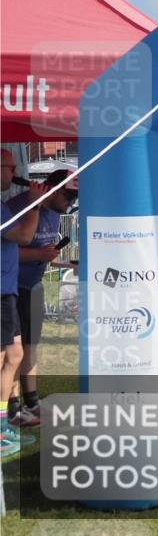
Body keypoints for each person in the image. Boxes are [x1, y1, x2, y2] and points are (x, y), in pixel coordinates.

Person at [6, 169, 78, 428]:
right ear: (52, 189)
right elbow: (8, 251)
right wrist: (38, 255)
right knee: (12, 351)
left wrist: (64, 263)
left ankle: (32, 400)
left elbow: (43, 252)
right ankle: (13, 407)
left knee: (30, 346)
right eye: (68, 196)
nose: (70, 203)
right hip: (11, 287)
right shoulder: (17, 207)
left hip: (32, 285)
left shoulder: (55, 214)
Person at [0, 150, 45, 457]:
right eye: (9, 167)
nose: (13, 172)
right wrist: (34, 203)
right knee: (5, 356)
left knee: (14, 354)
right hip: (1, 291)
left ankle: (5, 421)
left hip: (7, 290)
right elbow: (25, 235)